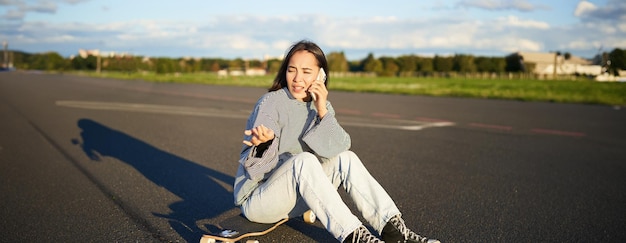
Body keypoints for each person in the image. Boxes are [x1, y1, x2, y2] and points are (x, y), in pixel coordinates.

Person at [233, 40, 440, 243]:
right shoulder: (271, 103)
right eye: (291, 70)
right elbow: (256, 167)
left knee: (346, 158)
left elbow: (340, 148)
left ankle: (394, 232)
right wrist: (264, 143)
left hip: (295, 198)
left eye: (306, 72)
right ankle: (354, 237)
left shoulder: (321, 106)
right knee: (304, 160)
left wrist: (322, 110)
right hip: (258, 201)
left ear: (320, 76)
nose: (297, 78)